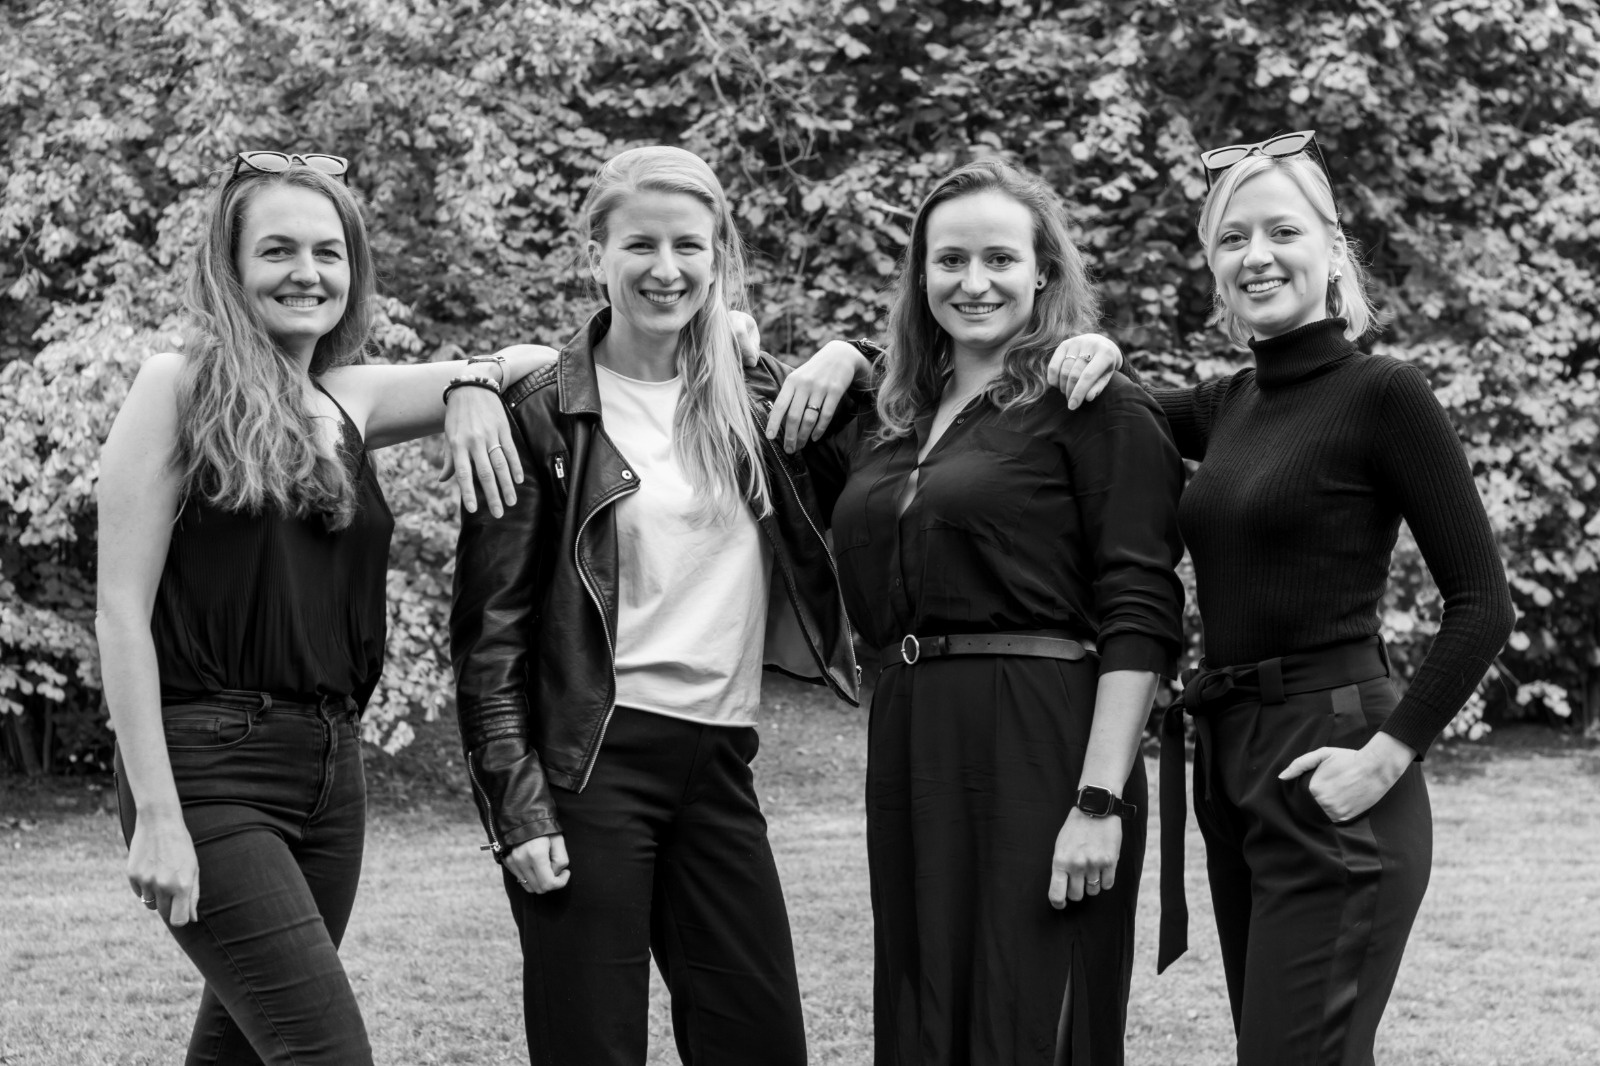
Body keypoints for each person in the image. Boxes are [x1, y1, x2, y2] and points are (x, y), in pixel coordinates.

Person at [96, 150, 559, 1066]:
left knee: (243, 1049)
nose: (306, 273)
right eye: (277, 250)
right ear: (230, 267)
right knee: (325, 1052)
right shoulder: (176, 385)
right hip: (209, 766)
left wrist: (472, 383)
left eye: (328, 252)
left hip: (332, 770)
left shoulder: (349, 398)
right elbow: (119, 611)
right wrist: (157, 813)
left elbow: (541, 362)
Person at [1066, 130, 1516, 1066]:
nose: (1257, 256)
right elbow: (1112, 403)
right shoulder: (1228, 405)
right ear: (1214, 266)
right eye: (1232, 239)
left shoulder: (1384, 394)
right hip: (1232, 764)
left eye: (1282, 231)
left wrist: (1387, 758)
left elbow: (1483, 601)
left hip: (1334, 754)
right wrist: (855, 358)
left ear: (1333, 249)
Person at [449, 144, 867, 1066]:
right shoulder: (540, 413)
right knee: (591, 1047)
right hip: (591, 763)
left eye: (689, 246)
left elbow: (912, 429)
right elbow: (489, 638)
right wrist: (517, 809)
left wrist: (850, 353)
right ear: (596, 253)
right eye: (640, 244)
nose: (665, 269)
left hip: (721, 760)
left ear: (719, 258)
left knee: (761, 1042)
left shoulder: (759, 399)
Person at [800, 159, 1186, 1065]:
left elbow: (1140, 612)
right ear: (920, 274)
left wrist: (1098, 800)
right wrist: (841, 352)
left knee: (1029, 1009)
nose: (974, 282)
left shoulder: (1092, 403)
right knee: (923, 1003)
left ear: (1042, 271)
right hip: (911, 737)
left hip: (1043, 736)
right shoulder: (889, 418)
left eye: (1000, 259)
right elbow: (740, 393)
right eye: (950, 260)